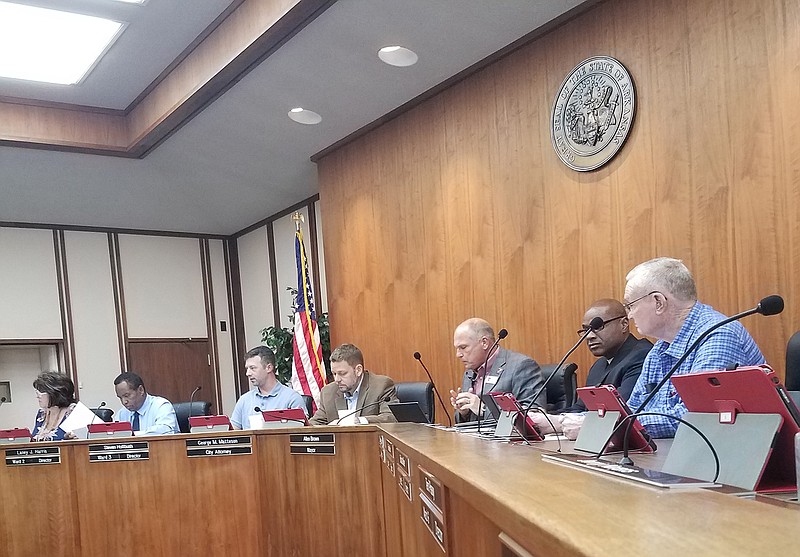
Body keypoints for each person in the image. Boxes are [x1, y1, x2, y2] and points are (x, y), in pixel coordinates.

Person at [623, 257, 765, 438]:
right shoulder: (659, 348)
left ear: (659, 302)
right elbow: (633, 408)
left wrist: (621, 427)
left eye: (630, 306)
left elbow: (697, 418)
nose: (629, 316)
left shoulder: (717, 334)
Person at [529, 299, 653, 438]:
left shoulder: (642, 356)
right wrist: (542, 418)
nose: (589, 336)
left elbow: (621, 412)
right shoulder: (599, 366)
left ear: (624, 324)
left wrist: (558, 422)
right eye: (585, 330)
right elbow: (579, 408)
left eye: (597, 327)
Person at [449, 318, 545, 423]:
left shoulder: (521, 366)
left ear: (484, 343)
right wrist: (464, 413)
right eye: (457, 349)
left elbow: (534, 415)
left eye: (463, 347)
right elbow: (468, 424)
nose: (458, 354)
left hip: (507, 439)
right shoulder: (470, 373)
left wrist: (484, 410)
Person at [309, 343, 398, 425]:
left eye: (342, 373)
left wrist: (358, 421)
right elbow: (315, 423)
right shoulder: (328, 392)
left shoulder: (381, 385)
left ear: (358, 370)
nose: (337, 379)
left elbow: (391, 418)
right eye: (334, 374)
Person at [230, 346, 306, 429]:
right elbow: (233, 433)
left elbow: (301, 434)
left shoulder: (291, 398)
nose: (248, 373)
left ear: (269, 368)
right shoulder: (244, 400)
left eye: (252, 368)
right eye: (247, 369)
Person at [114, 372, 179, 435]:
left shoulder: (161, 406)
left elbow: (166, 431)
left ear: (141, 390)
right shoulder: (122, 413)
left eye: (127, 396)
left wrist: (133, 435)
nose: (124, 402)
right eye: (120, 398)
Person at [31, 371, 78, 442]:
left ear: (55, 393)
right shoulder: (41, 414)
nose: (37, 396)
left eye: (41, 392)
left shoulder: (74, 412)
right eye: (37, 391)